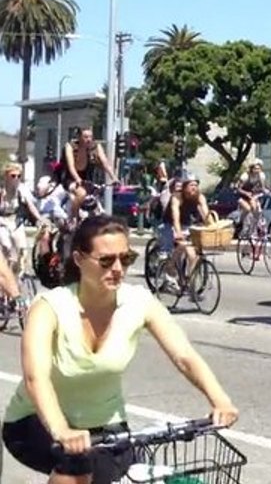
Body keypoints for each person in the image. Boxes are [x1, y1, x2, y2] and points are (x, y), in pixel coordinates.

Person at [2, 215, 238, 483]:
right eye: (106, 260)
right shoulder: (50, 306)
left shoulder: (138, 301)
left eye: (125, 259)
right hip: (35, 422)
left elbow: (184, 355)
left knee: (137, 477)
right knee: (76, 466)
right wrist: (62, 430)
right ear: (79, 260)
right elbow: (36, 378)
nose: (117, 268)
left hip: (106, 425)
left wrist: (220, 400)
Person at [0, 164, 44, 307]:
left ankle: (17, 277)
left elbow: (31, 206)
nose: (16, 179)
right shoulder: (1, 191)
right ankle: (5, 287)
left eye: (19, 176)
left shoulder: (21, 190)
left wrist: (39, 219)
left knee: (22, 251)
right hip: (2, 222)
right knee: (6, 247)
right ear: (6, 176)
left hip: (15, 223)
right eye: (13, 176)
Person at [59, 129, 119, 220]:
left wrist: (114, 178)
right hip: (70, 178)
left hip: (88, 180)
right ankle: (73, 217)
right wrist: (78, 179)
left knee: (95, 200)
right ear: (79, 137)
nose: (89, 139)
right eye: (85, 137)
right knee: (81, 193)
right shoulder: (70, 146)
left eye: (91, 137)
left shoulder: (95, 147)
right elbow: (71, 166)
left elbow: (105, 163)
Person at [165, 179, 211, 288]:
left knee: (192, 254)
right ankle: (170, 266)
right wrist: (178, 232)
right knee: (182, 244)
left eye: (196, 185)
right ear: (185, 187)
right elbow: (175, 216)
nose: (194, 187)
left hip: (186, 224)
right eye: (191, 185)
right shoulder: (177, 197)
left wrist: (212, 227)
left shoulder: (199, 197)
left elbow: (206, 216)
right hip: (169, 223)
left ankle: (191, 283)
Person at [235, 159, 269, 234]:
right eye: (255, 168)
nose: (257, 170)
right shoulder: (245, 176)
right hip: (241, 195)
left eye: (259, 168)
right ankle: (240, 223)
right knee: (248, 209)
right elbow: (238, 189)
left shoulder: (261, 175)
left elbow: (262, 187)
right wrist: (246, 193)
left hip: (251, 195)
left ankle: (253, 229)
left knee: (255, 209)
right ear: (252, 168)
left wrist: (266, 190)